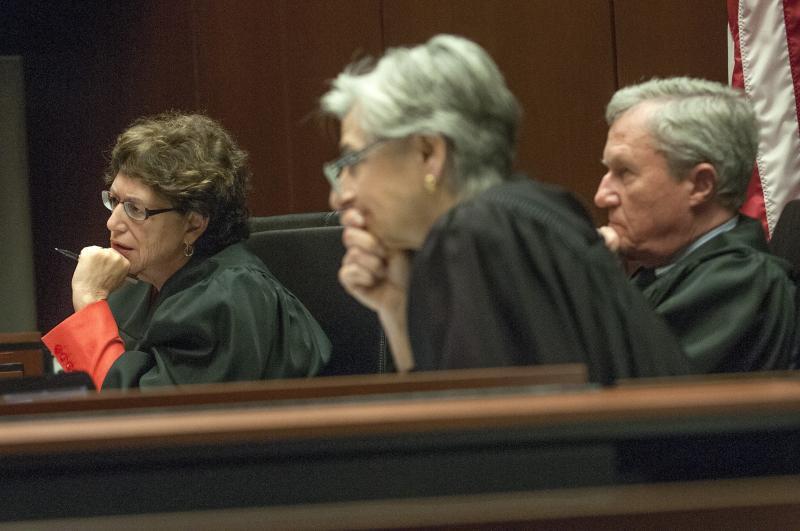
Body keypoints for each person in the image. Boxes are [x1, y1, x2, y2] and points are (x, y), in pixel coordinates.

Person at [319, 34, 690, 384]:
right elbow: (448, 413)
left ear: (428, 152)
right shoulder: (519, 218)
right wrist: (396, 308)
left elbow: (485, 437)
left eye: (352, 161)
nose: (340, 196)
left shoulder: (479, 232)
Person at [43, 113, 331, 389]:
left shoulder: (226, 298)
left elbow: (139, 419)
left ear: (193, 224)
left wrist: (90, 301)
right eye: (114, 201)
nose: (112, 222)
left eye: (135, 208)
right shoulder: (137, 289)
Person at [594, 77, 799, 373]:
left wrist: (593, 279)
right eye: (608, 172)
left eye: (624, 172)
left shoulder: (738, 281)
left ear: (700, 185)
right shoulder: (674, 268)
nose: (602, 197)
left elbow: (622, 391)